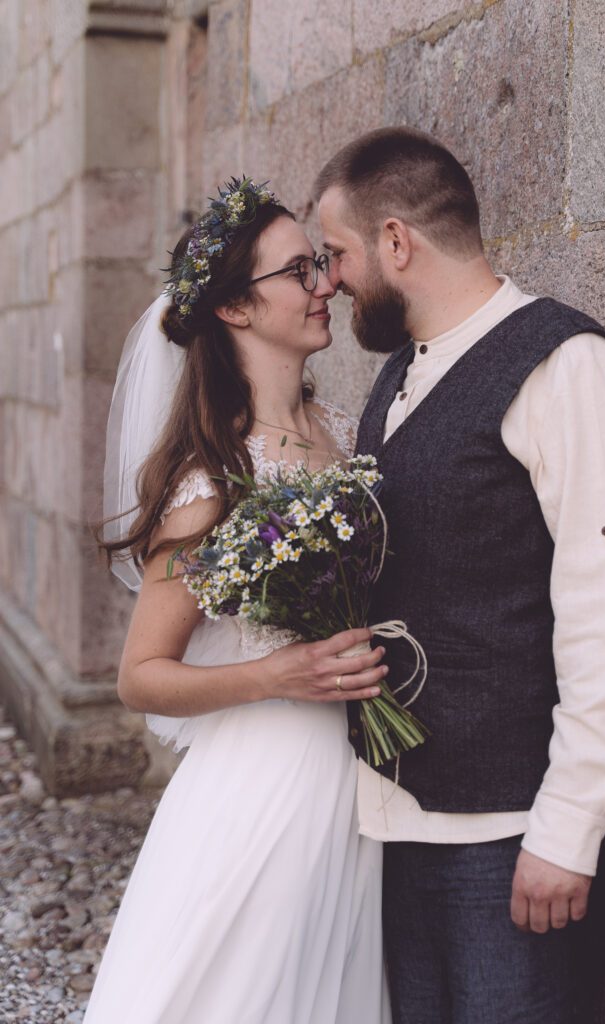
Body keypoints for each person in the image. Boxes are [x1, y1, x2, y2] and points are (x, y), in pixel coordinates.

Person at [314, 128, 605, 1023]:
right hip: (403, 819)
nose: (330, 280)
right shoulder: (397, 377)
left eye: (338, 254)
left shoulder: (565, 366)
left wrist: (569, 828)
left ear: (397, 243)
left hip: (514, 834)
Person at [85, 178, 391, 1024]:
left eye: (318, 266)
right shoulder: (210, 477)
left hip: (355, 774)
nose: (324, 284)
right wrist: (278, 672)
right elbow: (141, 676)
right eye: (298, 271)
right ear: (235, 310)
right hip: (266, 784)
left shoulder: (345, 427)